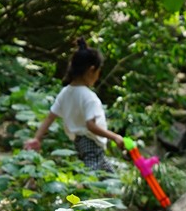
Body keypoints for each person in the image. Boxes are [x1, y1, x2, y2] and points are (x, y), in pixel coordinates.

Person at [24, 37, 124, 171]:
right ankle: (80, 189)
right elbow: (91, 126)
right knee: (90, 176)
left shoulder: (65, 92)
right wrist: (115, 137)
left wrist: (36, 138)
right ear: (91, 70)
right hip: (91, 142)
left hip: (79, 142)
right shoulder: (89, 97)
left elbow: (50, 117)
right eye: (98, 72)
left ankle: (110, 190)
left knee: (110, 176)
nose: (98, 77)